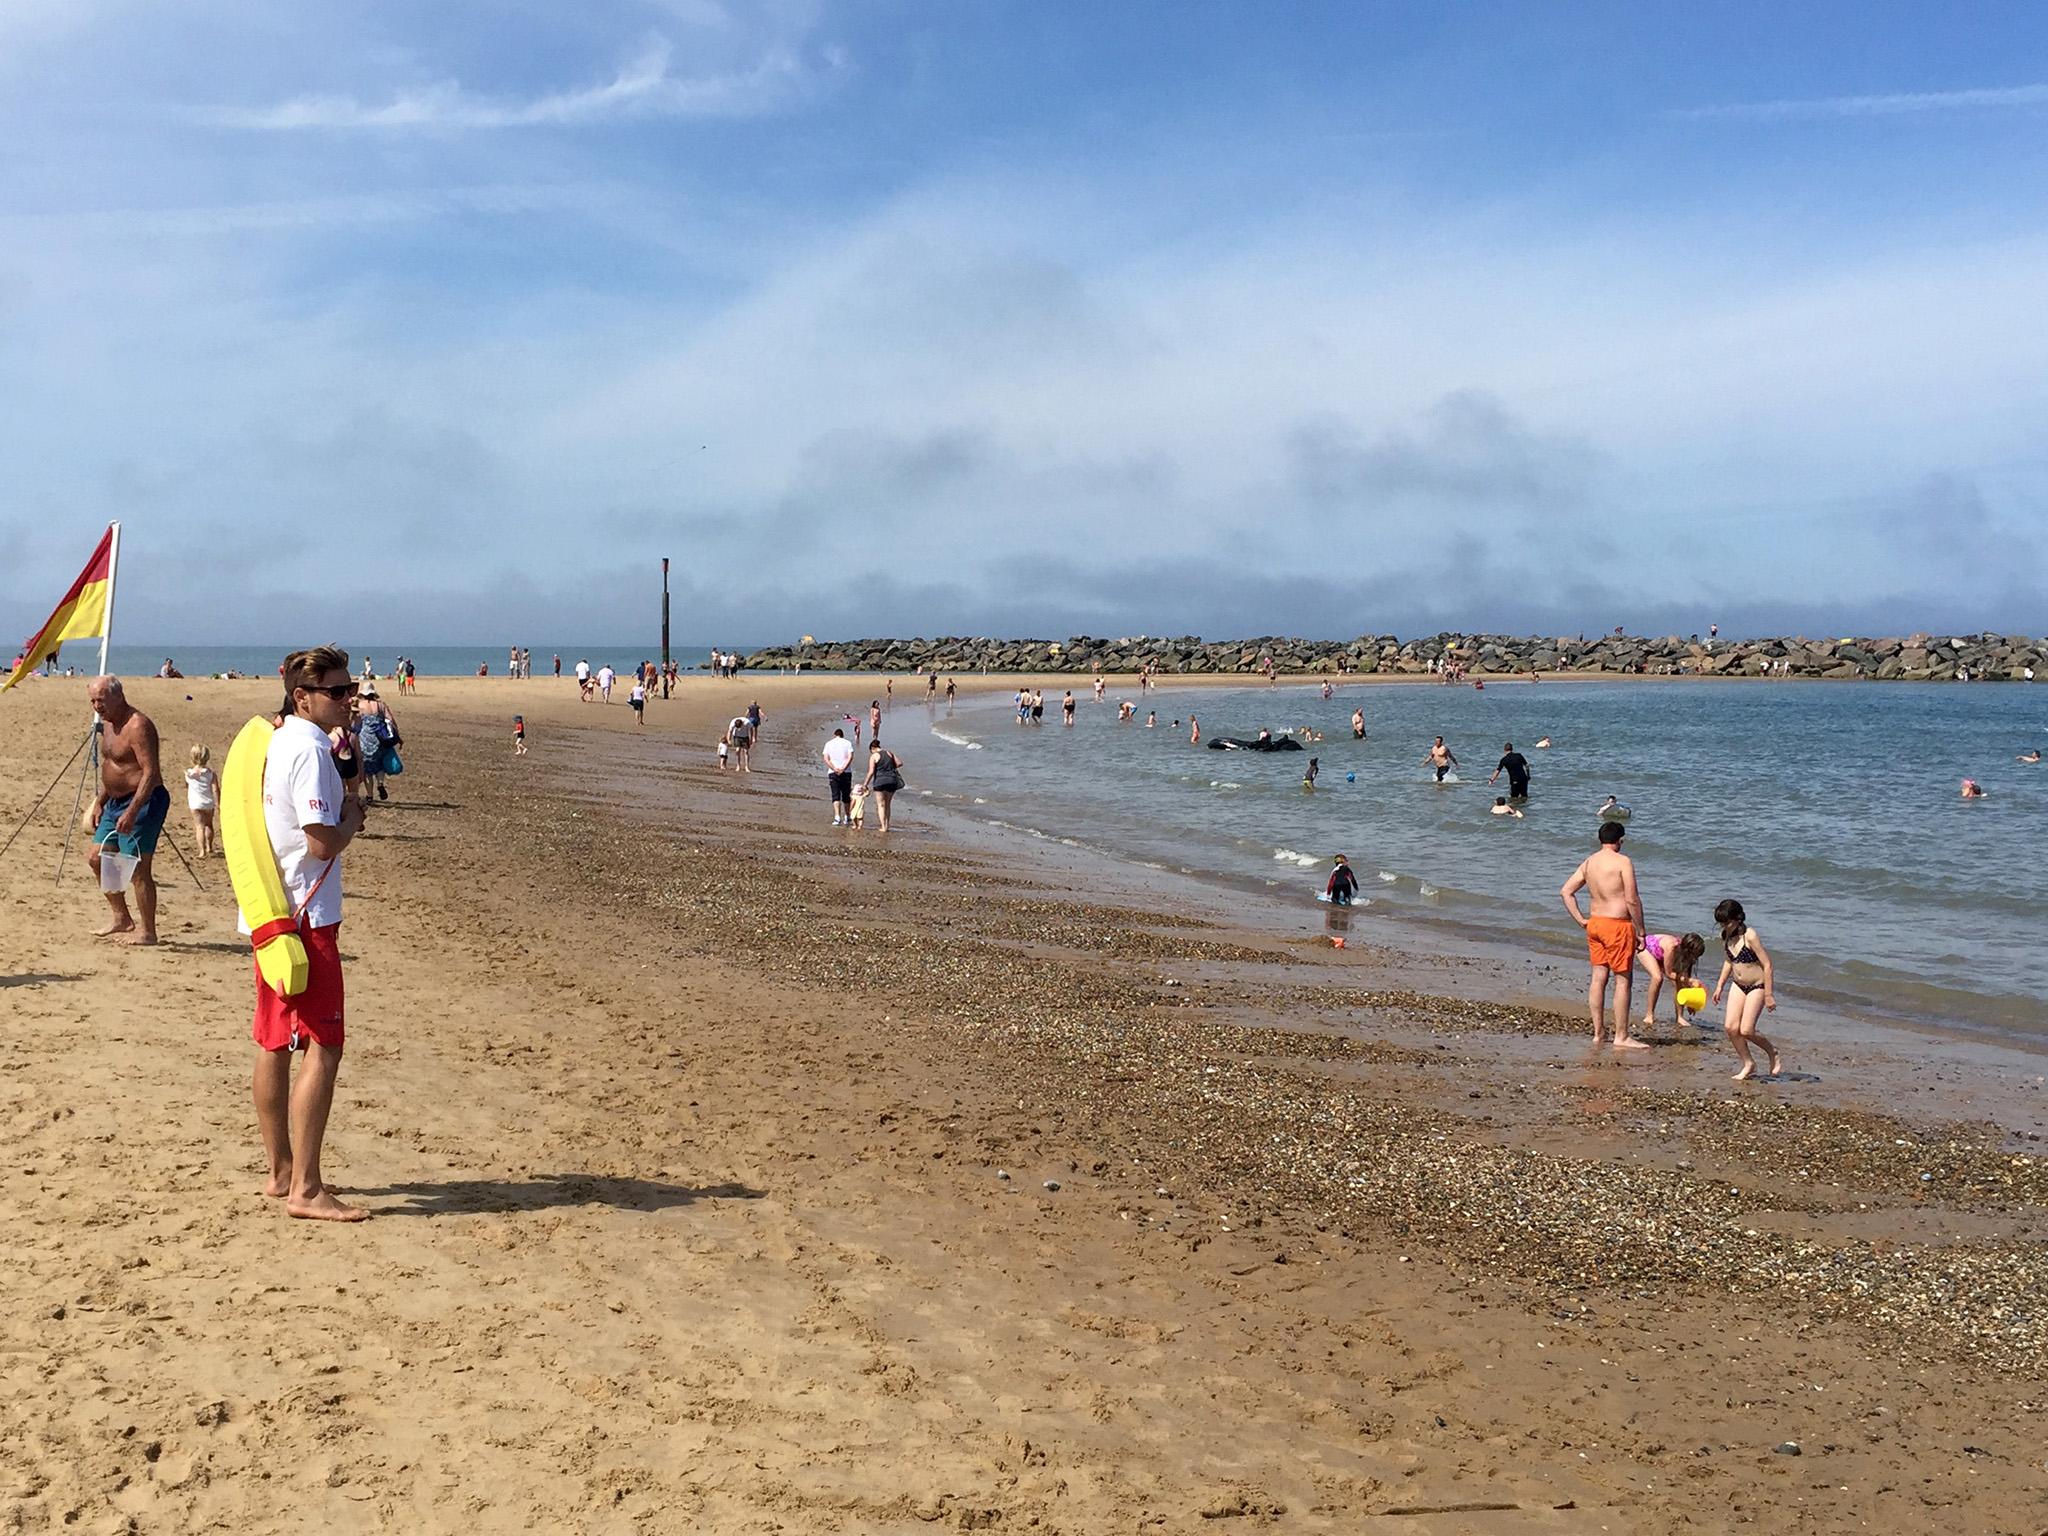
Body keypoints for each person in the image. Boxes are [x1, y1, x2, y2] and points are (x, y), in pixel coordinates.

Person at [249, 646, 368, 1221]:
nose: (349, 700)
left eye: (350, 691)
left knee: (273, 1042)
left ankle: (280, 1173)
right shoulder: (312, 750)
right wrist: (352, 817)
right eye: (338, 692)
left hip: (270, 914)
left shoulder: (275, 742)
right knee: (325, 1044)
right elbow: (321, 841)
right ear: (303, 696)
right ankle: (308, 1189)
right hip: (307, 919)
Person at [83, 676, 168, 945]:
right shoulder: (107, 724)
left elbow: (150, 772)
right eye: (93, 701)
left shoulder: (138, 725)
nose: (97, 706)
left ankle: (148, 932)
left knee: (137, 869)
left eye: (101, 700)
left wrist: (132, 811)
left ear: (118, 696)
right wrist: (100, 801)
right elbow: (113, 766)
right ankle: (121, 917)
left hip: (144, 801)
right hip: (114, 801)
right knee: (97, 858)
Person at [1559, 821, 1648, 1050]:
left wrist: (1580, 920)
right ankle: (1621, 1035)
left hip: (1595, 924)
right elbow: (1631, 899)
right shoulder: (1623, 862)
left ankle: (1598, 1033)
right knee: (1623, 980)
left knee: (1599, 977)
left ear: (1600, 839)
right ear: (1621, 840)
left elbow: (1566, 892)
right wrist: (1641, 931)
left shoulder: (1589, 862)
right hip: (1617, 925)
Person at [1711, 898, 1782, 1081]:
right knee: (1730, 1027)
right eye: (1721, 923)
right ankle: (1748, 1063)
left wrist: (1769, 995)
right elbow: (1729, 961)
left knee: (1747, 1030)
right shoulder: (1726, 936)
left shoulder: (1750, 936)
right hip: (1738, 985)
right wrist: (1719, 985)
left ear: (1738, 918)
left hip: (1757, 986)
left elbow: (1767, 965)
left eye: (1727, 922)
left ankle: (1772, 1052)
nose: (1724, 926)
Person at [1637, 931, 1706, 1027]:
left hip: (1661, 955)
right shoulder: (1671, 947)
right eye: (1694, 955)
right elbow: (1669, 974)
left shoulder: (1688, 956)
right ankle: (1649, 1015)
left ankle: (1680, 1017)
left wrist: (1690, 1002)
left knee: (1679, 983)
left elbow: (1684, 979)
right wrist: (1690, 981)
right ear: (1688, 950)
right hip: (1646, 948)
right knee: (1657, 978)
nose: (1694, 959)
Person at [860, 736, 905, 831]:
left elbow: (871, 772)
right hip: (892, 780)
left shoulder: (874, 756)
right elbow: (900, 763)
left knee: (881, 805)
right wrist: (891, 767)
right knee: (888, 804)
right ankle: (887, 826)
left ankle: (883, 826)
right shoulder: (889, 753)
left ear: (872, 748)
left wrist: (865, 784)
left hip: (880, 781)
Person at [823, 727, 856, 826]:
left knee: (835, 794)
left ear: (834, 735)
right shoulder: (848, 743)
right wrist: (843, 768)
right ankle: (847, 816)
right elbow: (850, 757)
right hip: (846, 772)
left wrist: (834, 768)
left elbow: (826, 758)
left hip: (833, 772)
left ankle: (837, 817)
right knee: (846, 795)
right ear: (842, 735)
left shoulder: (828, 743)